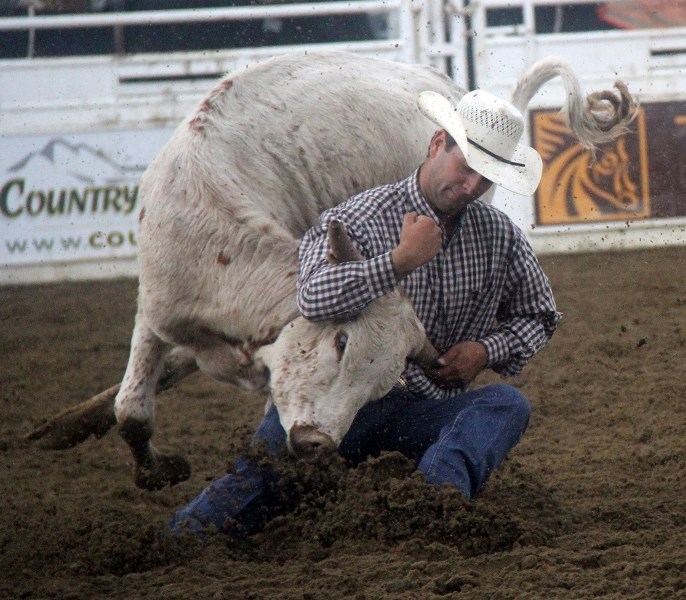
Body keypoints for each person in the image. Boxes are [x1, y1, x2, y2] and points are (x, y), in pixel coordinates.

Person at [168, 89, 561, 536]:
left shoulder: (499, 237)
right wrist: (398, 262)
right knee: (251, 484)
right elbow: (313, 298)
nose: (472, 187)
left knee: (505, 404)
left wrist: (485, 351)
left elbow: (540, 315)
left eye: (486, 179)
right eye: (467, 168)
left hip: (425, 413)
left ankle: (436, 509)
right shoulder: (358, 217)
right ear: (438, 144)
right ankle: (180, 539)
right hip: (337, 404)